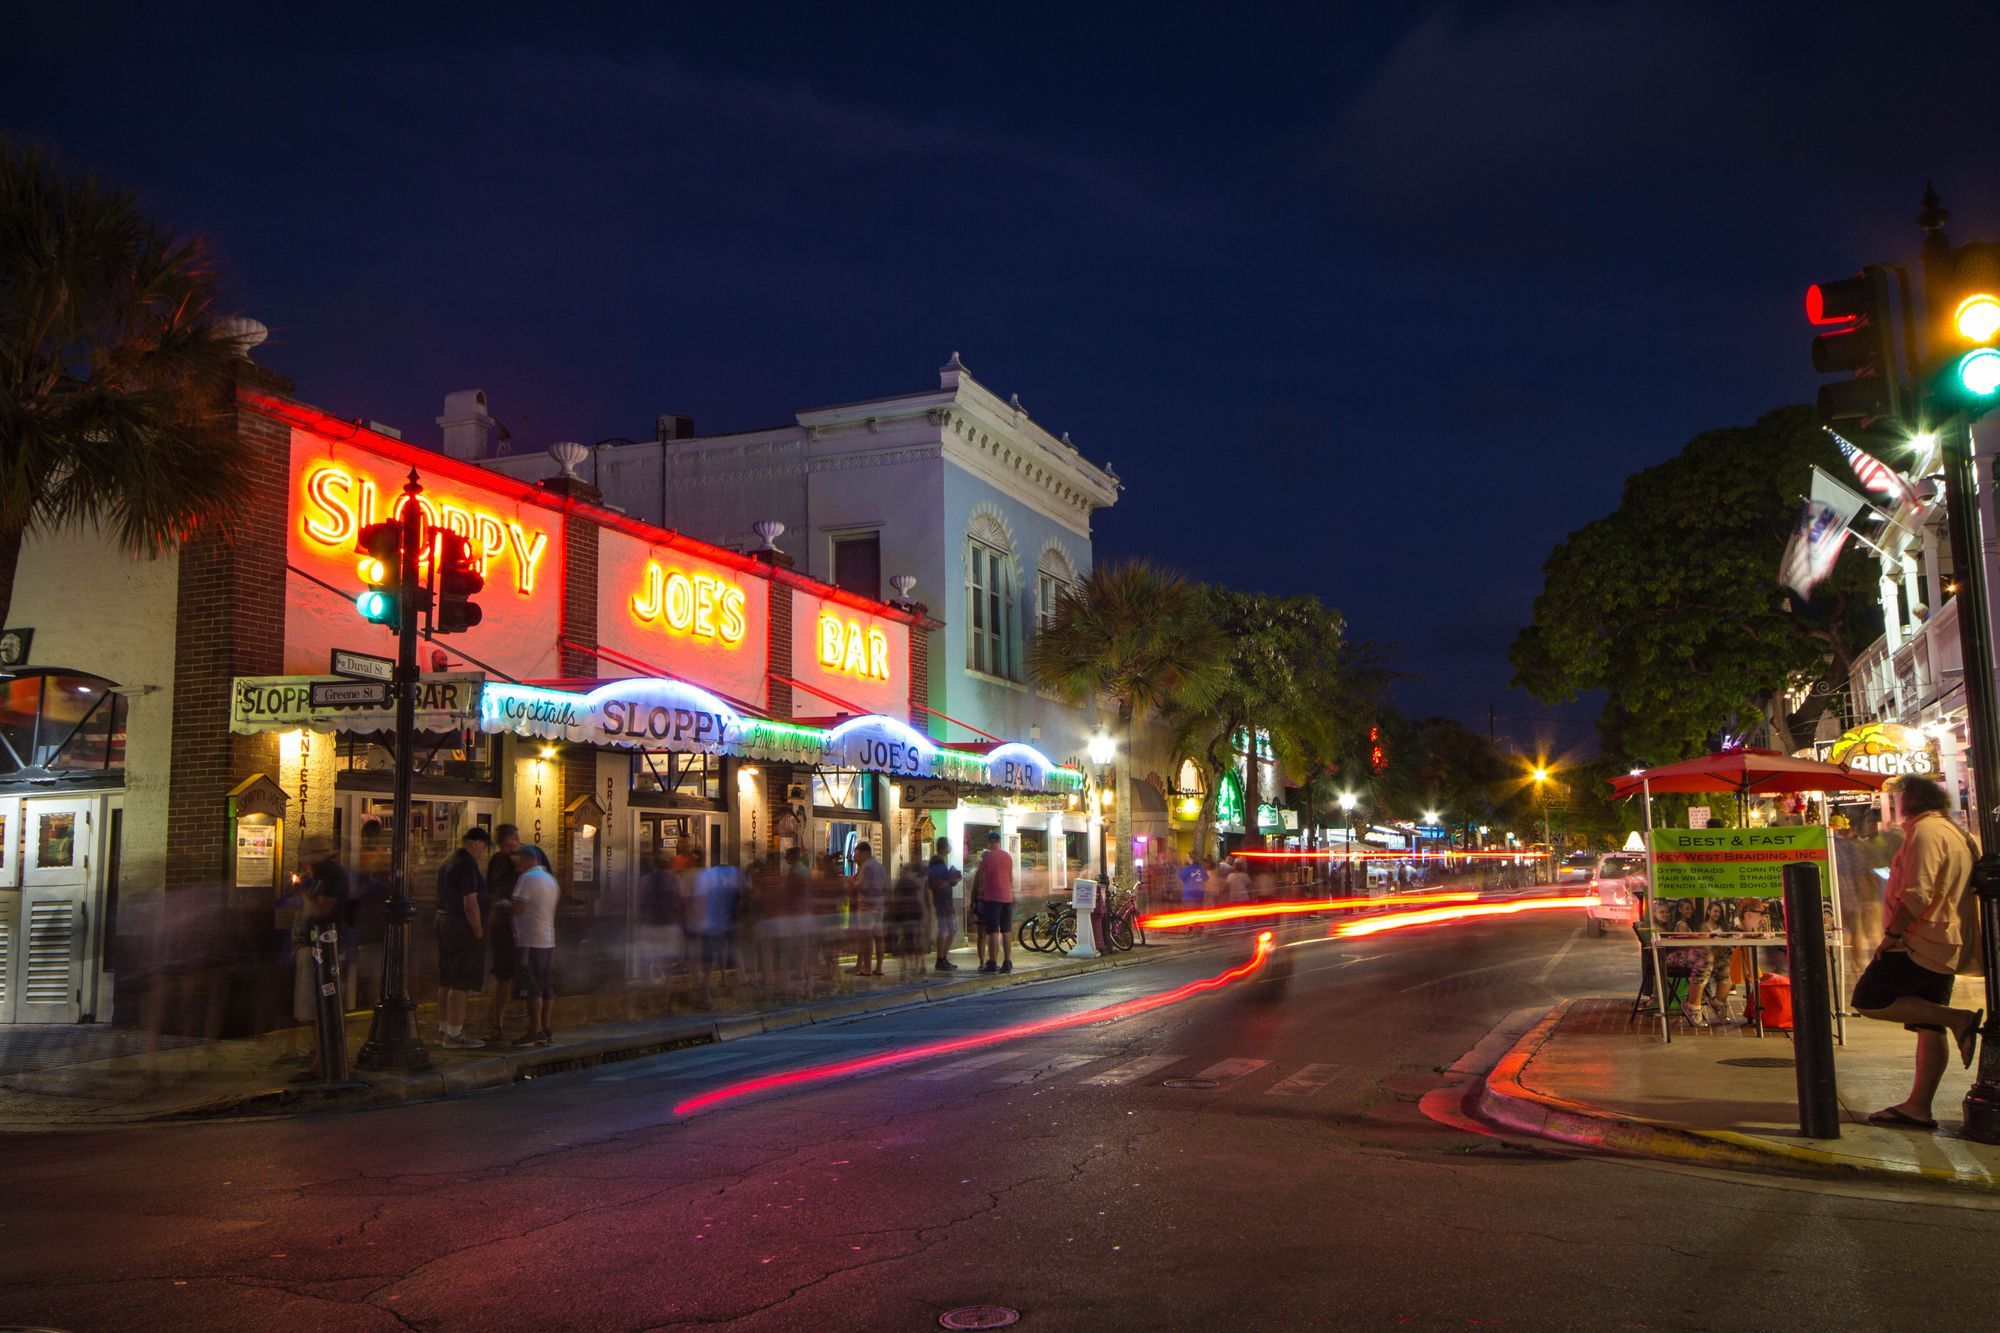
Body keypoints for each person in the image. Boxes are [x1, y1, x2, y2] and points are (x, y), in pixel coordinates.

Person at [1852, 775, 1983, 1130]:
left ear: (1911, 800)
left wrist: (1892, 935)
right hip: (1946, 936)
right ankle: (1918, 1106)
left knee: (1868, 999)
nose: (1897, 802)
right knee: (1929, 1022)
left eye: (1901, 796)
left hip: (1919, 938)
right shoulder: (1955, 833)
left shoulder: (1926, 833)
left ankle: (1960, 1019)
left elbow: (1917, 893)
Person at [292, 833, 350, 1080]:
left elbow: (322, 911)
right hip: (315, 947)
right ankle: (321, 1057)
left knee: (321, 1004)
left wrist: (303, 892)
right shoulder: (321, 877)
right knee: (315, 1006)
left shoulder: (332, 877)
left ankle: (324, 1061)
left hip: (325, 949)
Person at [494, 844, 559, 1046]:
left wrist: (502, 904)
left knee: (532, 988)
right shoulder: (550, 879)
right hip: (548, 940)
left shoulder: (527, 878)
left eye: (518, 863)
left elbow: (517, 907)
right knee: (545, 986)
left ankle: (534, 1030)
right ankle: (546, 1028)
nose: (516, 868)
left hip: (530, 940)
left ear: (526, 860)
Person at [434, 826, 491, 1048]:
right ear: (476, 843)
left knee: (446, 979)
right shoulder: (467, 864)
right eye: (483, 849)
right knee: (460, 981)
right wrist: (478, 931)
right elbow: (470, 903)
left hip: (444, 923)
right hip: (461, 927)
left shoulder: (448, 860)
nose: (482, 853)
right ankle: (455, 1034)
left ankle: (443, 1029)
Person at [479, 824, 524, 1042]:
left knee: (504, 976)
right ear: (509, 843)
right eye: (514, 843)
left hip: (503, 925)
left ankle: (497, 1021)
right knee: (504, 976)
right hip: (507, 927)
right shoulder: (505, 862)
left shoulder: (498, 862)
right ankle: (496, 1023)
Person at [975, 831, 1014, 974]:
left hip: (992, 898)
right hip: (1007, 898)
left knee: (993, 931)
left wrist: (979, 898)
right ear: (999, 841)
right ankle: (1008, 962)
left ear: (990, 842)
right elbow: (1010, 878)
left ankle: (992, 962)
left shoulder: (987, 856)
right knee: (1006, 930)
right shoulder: (1007, 857)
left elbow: (982, 878)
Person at [849, 841, 888, 977]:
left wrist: (852, 882)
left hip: (866, 907)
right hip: (879, 906)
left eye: (857, 853)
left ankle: (867, 968)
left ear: (865, 853)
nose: (855, 856)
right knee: (879, 937)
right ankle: (878, 968)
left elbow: (863, 886)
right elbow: (885, 887)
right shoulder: (880, 867)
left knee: (866, 938)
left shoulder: (867, 866)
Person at [927, 836, 963, 971]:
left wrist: (952, 880)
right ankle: (941, 958)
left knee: (950, 929)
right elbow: (935, 882)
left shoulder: (940, 861)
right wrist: (951, 879)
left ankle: (943, 957)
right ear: (944, 847)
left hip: (945, 901)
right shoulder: (937, 861)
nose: (951, 847)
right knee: (946, 930)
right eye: (949, 845)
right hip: (942, 902)